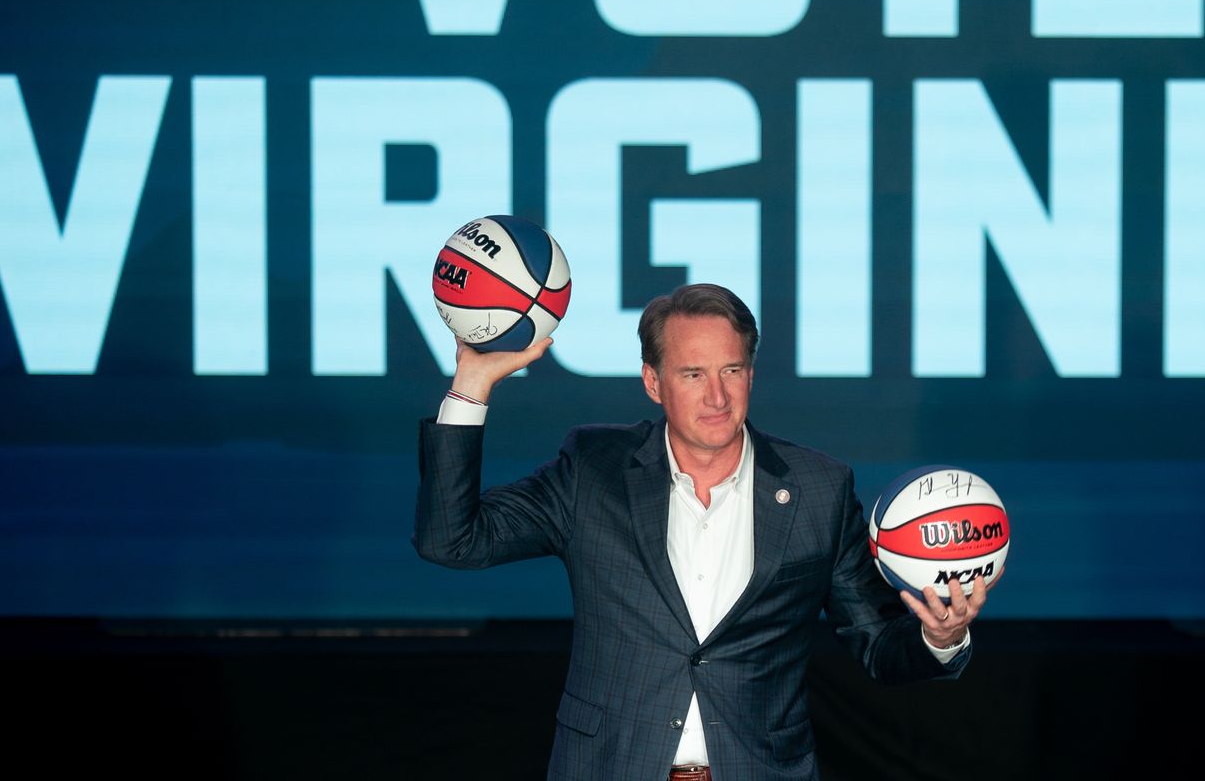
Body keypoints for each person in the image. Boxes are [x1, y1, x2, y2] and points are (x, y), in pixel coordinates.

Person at [416, 283, 986, 781]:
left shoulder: (820, 489)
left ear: (750, 375)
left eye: (731, 370)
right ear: (653, 382)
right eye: (693, 374)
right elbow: (453, 539)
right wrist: (472, 382)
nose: (717, 396)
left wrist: (940, 636)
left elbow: (878, 646)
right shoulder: (594, 471)